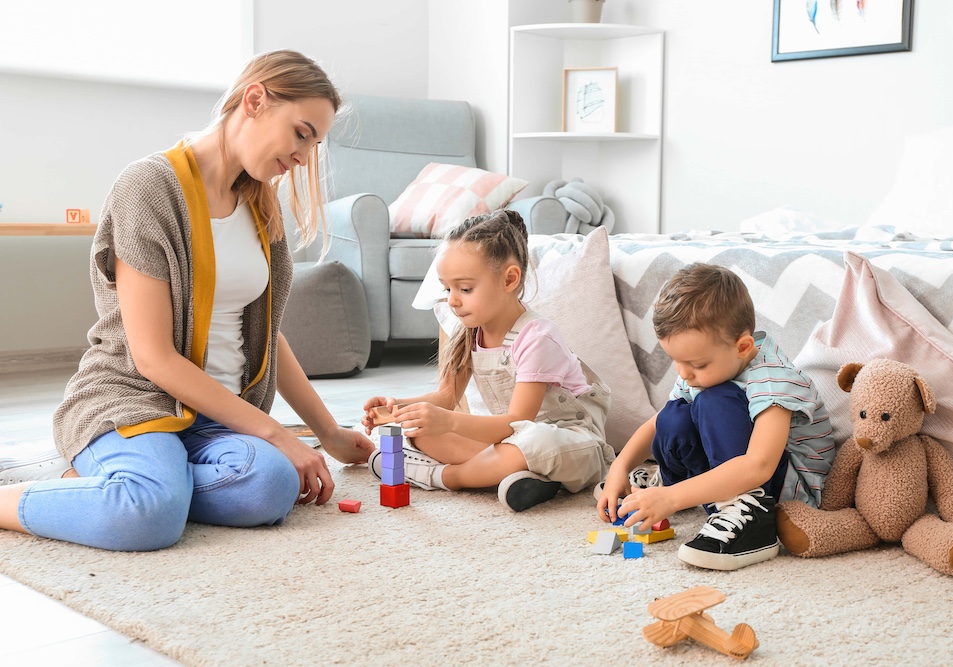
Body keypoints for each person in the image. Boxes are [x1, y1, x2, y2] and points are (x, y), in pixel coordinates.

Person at [0, 50, 374, 551]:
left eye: (315, 143)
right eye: (302, 132)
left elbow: (265, 337)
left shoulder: (262, 203)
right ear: (255, 100)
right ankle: (135, 493)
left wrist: (327, 432)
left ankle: (131, 487)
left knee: (273, 486)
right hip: (134, 400)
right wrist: (277, 436)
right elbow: (153, 357)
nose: (305, 156)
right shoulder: (149, 188)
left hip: (218, 416)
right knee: (149, 520)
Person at [361, 209, 615, 512]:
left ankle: (445, 476)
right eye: (447, 288)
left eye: (465, 289)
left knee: (532, 444)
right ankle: (523, 479)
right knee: (422, 432)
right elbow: (445, 396)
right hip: (507, 442)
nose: (453, 300)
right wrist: (398, 408)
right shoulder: (470, 333)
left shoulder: (537, 337)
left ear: (509, 279)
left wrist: (450, 421)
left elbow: (517, 424)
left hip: (568, 443)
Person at [596, 263, 835, 571]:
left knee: (715, 400)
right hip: (728, 468)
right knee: (674, 415)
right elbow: (658, 425)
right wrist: (619, 467)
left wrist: (670, 499)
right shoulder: (700, 369)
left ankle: (752, 518)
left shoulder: (774, 380)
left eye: (696, 363)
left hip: (781, 489)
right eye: (676, 361)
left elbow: (759, 464)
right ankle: (669, 488)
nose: (683, 373)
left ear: (743, 347)